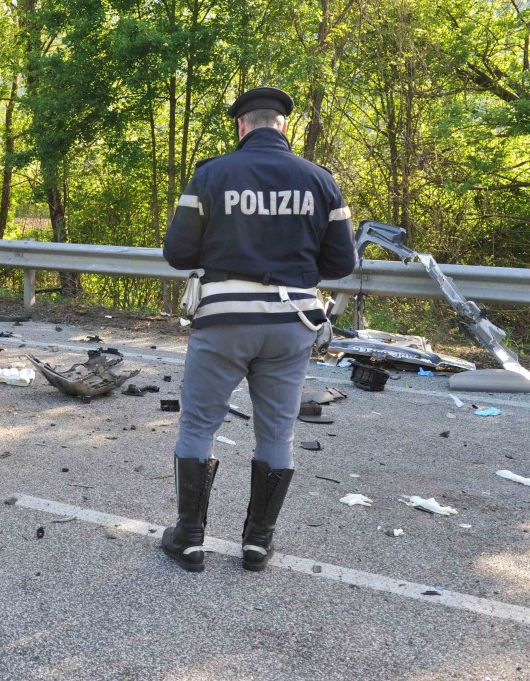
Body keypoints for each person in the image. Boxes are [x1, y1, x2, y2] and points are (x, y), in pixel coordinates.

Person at [161, 86, 358, 573]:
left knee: (199, 426)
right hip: (292, 324)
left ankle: (189, 539)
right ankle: (257, 543)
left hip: (224, 321)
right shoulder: (320, 180)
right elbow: (342, 262)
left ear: (241, 126)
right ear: (283, 126)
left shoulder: (211, 175)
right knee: (276, 434)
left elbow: (178, 254)